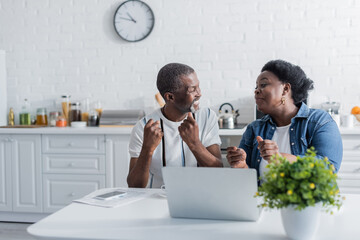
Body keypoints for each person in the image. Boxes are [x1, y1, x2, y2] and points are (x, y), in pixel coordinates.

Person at [226, 60, 342, 183]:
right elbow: (246, 183)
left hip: (305, 202)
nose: (256, 90)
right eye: (256, 87)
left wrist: (281, 159)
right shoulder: (254, 128)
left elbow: (329, 167)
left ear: (285, 89)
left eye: (263, 84)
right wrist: (241, 166)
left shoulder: (319, 121)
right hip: (263, 201)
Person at [128, 63, 223, 188]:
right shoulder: (144, 127)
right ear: (170, 97)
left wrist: (195, 144)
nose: (199, 93)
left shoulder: (207, 117)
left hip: (201, 196)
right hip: (157, 199)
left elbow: (219, 171)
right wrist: (147, 149)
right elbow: (135, 185)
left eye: (198, 87)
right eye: (192, 90)